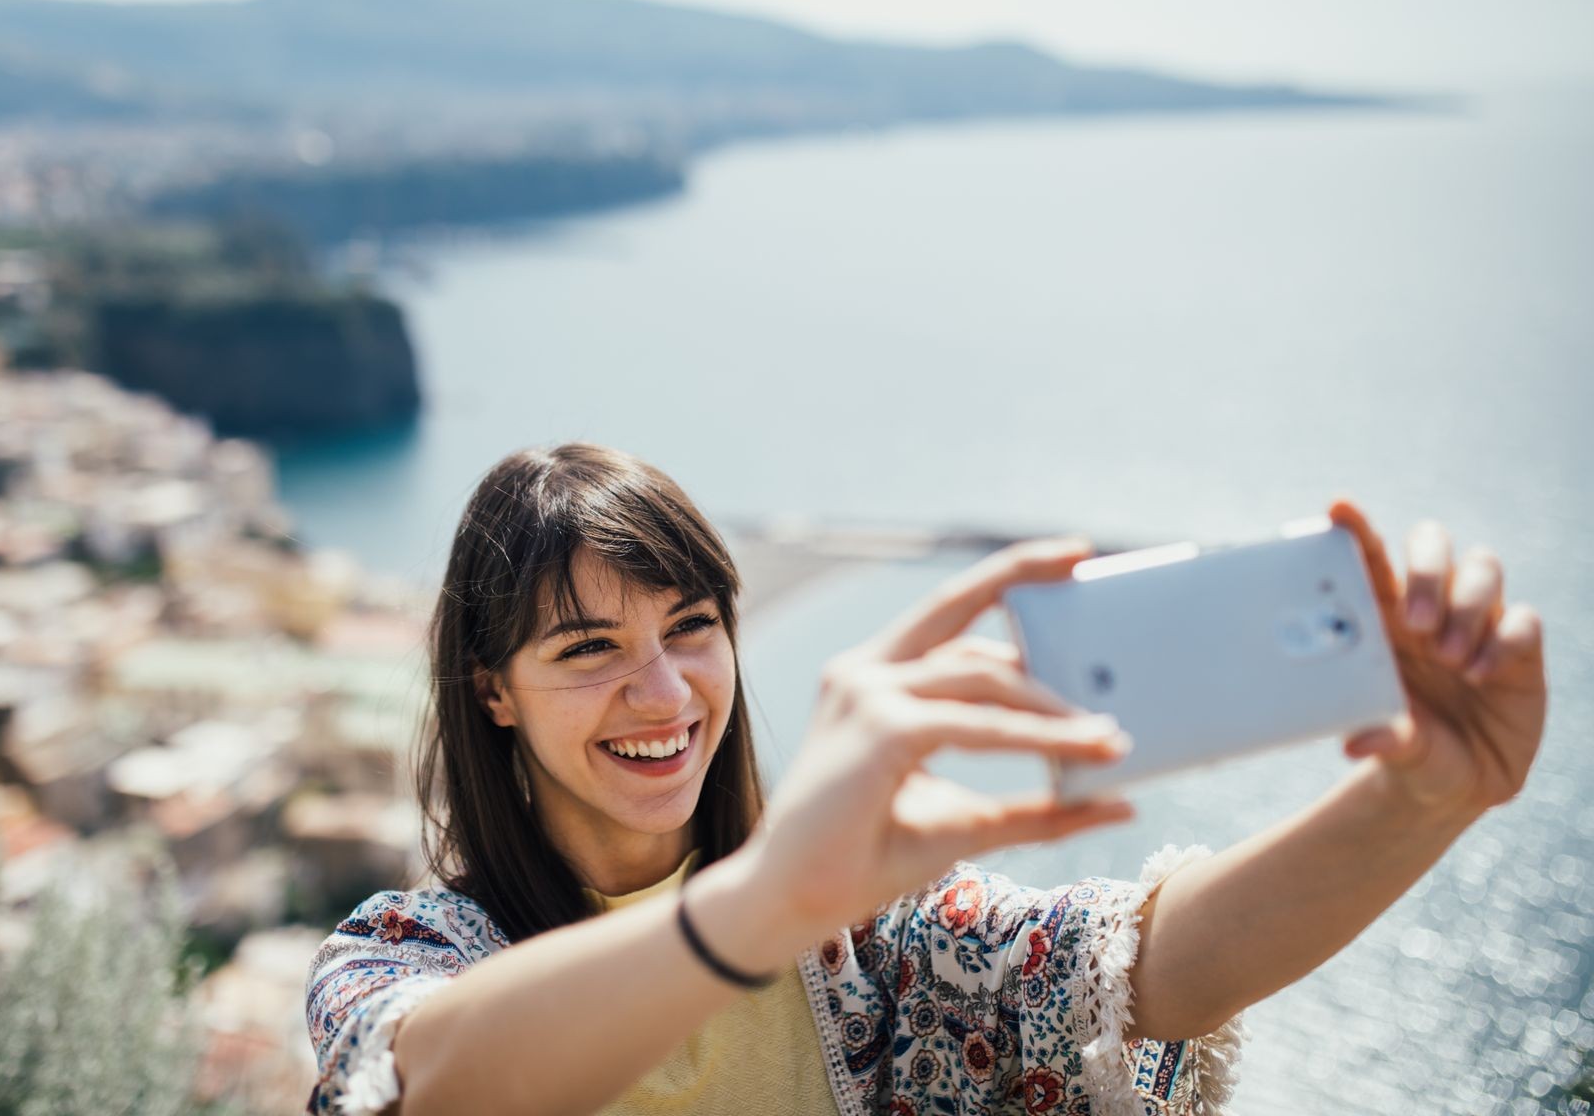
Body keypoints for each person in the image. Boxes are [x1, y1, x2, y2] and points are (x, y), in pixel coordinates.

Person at [303, 443, 1548, 1116]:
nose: (668, 694)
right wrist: (762, 904)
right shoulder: (410, 950)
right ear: (493, 690)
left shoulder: (849, 930)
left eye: (691, 625)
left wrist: (1428, 794)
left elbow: (1143, 967)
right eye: (589, 648)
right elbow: (422, 1088)